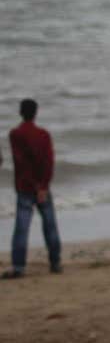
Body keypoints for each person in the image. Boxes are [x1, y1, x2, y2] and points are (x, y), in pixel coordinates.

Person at [5, 99, 62, 278]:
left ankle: (19, 266)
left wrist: (34, 185)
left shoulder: (15, 134)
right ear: (36, 113)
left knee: (22, 227)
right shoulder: (44, 135)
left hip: (24, 186)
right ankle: (55, 263)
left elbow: (22, 162)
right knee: (50, 225)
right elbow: (48, 162)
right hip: (42, 186)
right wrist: (43, 186)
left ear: (20, 112)